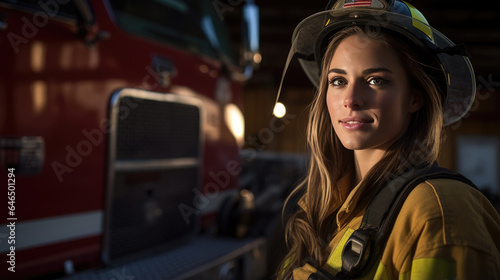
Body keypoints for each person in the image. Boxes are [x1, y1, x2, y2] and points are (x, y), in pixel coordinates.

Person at [276, 0, 500, 279]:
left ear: (415, 97)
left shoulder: (440, 212)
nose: (351, 100)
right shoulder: (324, 207)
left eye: (375, 80)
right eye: (338, 81)